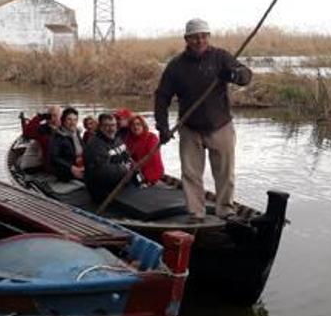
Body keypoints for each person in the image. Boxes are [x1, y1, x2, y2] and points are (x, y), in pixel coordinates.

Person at [154, 18, 252, 220]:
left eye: (203, 36)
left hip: (220, 125)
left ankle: (225, 210)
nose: (199, 41)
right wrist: (162, 127)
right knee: (190, 174)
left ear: (208, 37)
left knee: (225, 173)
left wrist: (234, 75)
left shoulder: (221, 57)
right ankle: (196, 213)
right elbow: (162, 97)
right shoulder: (176, 66)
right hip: (190, 129)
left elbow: (246, 76)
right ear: (186, 39)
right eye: (194, 37)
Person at [83, 113, 136, 203]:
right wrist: (124, 168)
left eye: (113, 125)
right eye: (106, 126)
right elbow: (102, 171)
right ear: (100, 127)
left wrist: (138, 176)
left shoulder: (117, 139)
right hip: (104, 192)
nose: (111, 129)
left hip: (121, 184)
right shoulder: (94, 145)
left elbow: (128, 158)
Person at [124, 114, 164, 186]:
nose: (136, 127)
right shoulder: (128, 139)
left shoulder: (152, 137)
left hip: (151, 172)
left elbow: (152, 157)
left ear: (143, 125)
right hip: (136, 172)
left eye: (138, 124)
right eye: (133, 125)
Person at [49, 107, 85, 181]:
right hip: (66, 170)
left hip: (80, 166)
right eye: (69, 119)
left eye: (75, 120)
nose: (72, 123)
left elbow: (84, 150)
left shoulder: (76, 133)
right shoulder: (58, 136)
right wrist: (71, 168)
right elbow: (54, 158)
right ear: (64, 121)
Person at [22, 105, 61, 171]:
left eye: (58, 116)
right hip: (43, 166)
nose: (55, 118)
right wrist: (40, 117)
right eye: (52, 116)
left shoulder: (63, 128)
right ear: (47, 117)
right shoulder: (42, 129)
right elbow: (27, 133)